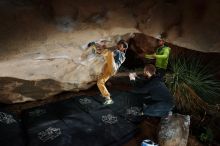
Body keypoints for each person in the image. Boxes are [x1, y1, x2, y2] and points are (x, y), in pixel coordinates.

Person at [97, 40, 128, 105]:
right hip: (109, 69)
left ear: (124, 48)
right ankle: (108, 98)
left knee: (109, 53)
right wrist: (104, 47)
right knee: (100, 82)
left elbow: (111, 53)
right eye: (118, 45)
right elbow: (109, 55)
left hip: (113, 68)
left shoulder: (119, 53)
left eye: (120, 46)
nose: (118, 46)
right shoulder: (120, 53)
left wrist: (103, 47)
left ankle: (99, 50)